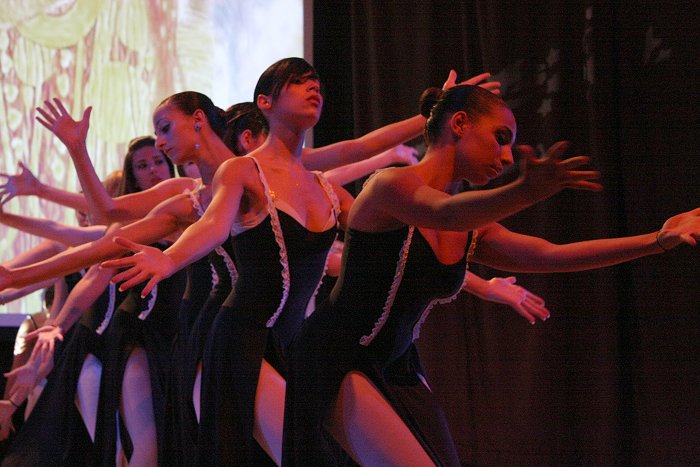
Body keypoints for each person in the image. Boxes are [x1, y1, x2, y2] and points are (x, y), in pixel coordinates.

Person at [280, 84, 700, 466]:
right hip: (334, 357)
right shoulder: (389, 187)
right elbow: (445, 213)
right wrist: (525, 191)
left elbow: (551, 255)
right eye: (501, 138)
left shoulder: (471, 226)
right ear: (460, 124)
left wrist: (657, 240)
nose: (506, 157)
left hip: (398, 365)